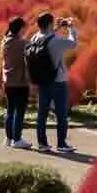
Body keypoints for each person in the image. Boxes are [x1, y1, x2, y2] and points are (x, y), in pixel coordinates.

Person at [28, 11, 76, 153]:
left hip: (42, 80)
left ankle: (42, 143)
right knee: (61, 113)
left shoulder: (35, 37)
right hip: (58, 81)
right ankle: (61, 144)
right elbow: (72, 43)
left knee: (42, 113)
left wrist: (57, 28)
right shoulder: (56, 40)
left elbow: (46, 37)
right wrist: (71, 28)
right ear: (49, 24)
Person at [0, 17, 32, 150]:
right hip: (19, 82)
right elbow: (32, 46)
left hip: (8, 81)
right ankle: (17, 139)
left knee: (10, 110)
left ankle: (8, 137)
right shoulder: (20, 43)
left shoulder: (5, 41)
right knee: (19, 110)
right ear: (19, 28)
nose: (25, 30)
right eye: (24, 28)